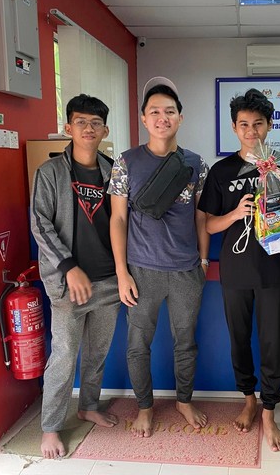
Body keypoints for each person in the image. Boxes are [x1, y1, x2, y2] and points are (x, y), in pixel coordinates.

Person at [108, 76, 209, 438]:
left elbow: (201, 217)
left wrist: (203, 261)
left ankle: (184, 401)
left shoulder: (196, 164)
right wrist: (122, 273)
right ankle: (145, 408)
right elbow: (118, 219)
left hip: (186, 271)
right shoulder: (126, 162)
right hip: (141, 271)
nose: (162, 117)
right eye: (154, 112)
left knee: (186, 342)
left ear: (180, 117)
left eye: (169, 111)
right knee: (138, 344)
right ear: (143, 118)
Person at [198, 89, 280, 452]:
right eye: (244, 124)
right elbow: (208, 225)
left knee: (273, 342)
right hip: (236, 268)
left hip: (275, 268)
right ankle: (248, 399)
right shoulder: (221, 171)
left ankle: (269, 412)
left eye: (258, 123)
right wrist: (235, 214)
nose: (251, 130)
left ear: (269, 125)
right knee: (238, 339)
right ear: (234, 128)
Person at [30, 94, 121, 459]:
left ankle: (88, 406)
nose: (88, 128)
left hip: (109, 281)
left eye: (95, 123)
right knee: (65, 355)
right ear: (68, 127)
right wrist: (69, 267)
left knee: (98, 352)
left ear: (105, 131)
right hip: (68, 283)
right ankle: (50, 427)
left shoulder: (114, 171)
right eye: (81, 122)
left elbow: (124, 222)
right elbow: (40, 223)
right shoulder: (50, 172)